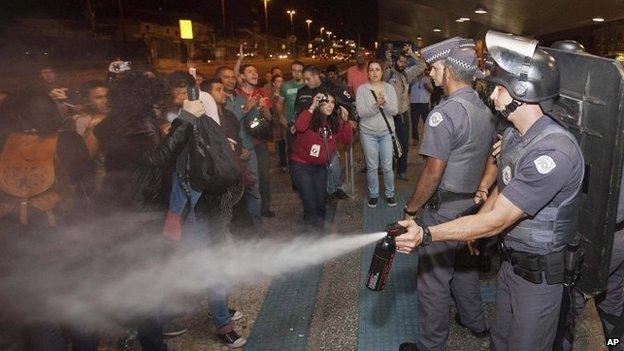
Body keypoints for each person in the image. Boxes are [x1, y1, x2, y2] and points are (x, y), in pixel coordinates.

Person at [395, 31, 585, 351]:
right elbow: (505, 187)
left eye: (500, 87)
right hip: (512, 265)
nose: (493, 93)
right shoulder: (514, 134)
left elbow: (499, 220)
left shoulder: (553, 152)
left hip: (540, 277)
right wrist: (474, 225)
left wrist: (427, 235)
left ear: (522, 93)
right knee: (500, 341)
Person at [399, 38, 494, 351]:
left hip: (443, 209)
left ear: (450, 72)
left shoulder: (445, 112)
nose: (430, 74)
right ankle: (476, 322)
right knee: (464, 268)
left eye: (435, 68)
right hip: (470, 208)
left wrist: (411, 210)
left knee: (434, 279)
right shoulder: (482, 106)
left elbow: (432, 172)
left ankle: (432, 345)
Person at [94, 71, 197, 351]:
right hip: (141, 212)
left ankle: (139, 326)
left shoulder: (113, 122)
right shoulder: (134, 123)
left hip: (124, 207)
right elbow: (157, 158)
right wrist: (185, 121)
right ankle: (152, 342)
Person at [0, 87, 97, 351]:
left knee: (43, 319)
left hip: (22, 247)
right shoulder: (67, 141)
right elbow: (89, 185)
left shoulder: (4, 142)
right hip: (69, 242)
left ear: (20, 117)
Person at [291, 92, 352, 231]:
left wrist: (345, 121)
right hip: (302, 167)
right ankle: (312, 237)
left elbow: (346, 140)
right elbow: (299, 127)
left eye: (332, 102)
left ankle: (319, 231)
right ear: (319, 103)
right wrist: (312, 107)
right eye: (326, 102)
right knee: (310, 203)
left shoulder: (333, 122)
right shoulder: (308, 116)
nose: (330, 105)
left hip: (320, 168)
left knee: (320, 202)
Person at [294, 65, 354, 199]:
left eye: (308, 79)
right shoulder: (302, 92)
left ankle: (334, 188)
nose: (306, 82)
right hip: (310, 141)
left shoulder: (329, 88)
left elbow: (346, 103)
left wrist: (347, 121)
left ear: (316, 76)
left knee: (333, 166)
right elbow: (298, 117)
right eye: (304, 79)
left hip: (329, 135)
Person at [216, 66, 264, 229]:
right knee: (233, 194)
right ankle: (237, 231)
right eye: (225, 77)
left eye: (232, 77)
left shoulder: (240, 97)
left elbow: (252, 122)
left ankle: (257, 229)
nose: (230, 80)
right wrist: (246, 109)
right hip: (230, 154)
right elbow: (228, 121)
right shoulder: (218, 101)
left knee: (254, 190)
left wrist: (257, 110)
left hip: (248, 149)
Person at [356, 60, 398, 208]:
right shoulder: (362, 90)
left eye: (377, 69)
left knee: (387, 166)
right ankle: (373, 194)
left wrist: (384, 104)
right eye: (371, 70)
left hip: (386, 132)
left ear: (382, 72)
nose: (374, 73)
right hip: (368, 133)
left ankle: (390, 194)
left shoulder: (389, 88)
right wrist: (376, 106)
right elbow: (361, 113)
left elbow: (395, 111)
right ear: (368, 73)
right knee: (372, 166)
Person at [382, 47, 427, 180]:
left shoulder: (406, 75)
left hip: (402, 115)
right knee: (388, 145)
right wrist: (388, 60)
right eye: (400, 62)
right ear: (396, 61)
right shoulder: (388, 74)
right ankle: (388, 169)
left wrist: (412, 54)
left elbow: (422, 65)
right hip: (388, 116)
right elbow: (381, 75)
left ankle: (401, 171)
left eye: (404, 62)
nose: (403, 64)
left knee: (403, 144)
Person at [236, 64, 274, 219]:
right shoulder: (237, 94)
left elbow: (270, 118)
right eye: (250, 71)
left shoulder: (262, 93)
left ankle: (264, 207)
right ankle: (248, 212)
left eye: (256, 71)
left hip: (260, 141)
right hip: (245, 143)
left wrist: (263, 108)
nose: (254, 73)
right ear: (242, 77)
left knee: (264, 176)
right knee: (249, 178)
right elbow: (235, 116)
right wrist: (248, 106)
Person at [74, 80, 109, 191]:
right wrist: (93, 127)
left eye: (107, 96)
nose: (105, 101)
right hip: (103, 178)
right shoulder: (83, 121)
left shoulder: (116, 116)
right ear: (87, 101)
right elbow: (87, 155)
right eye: (98, 98)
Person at [409, 70, 434, 145]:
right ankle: (415, 139)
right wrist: (410, 85)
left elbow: (432, 91)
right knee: (414, 123)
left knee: (427, 122)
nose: (420, 72)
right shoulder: (412, 79)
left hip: (424, 104)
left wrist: (427, 87)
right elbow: (407, 90)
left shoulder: (427, 79)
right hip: (414, 103)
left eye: (421, 71)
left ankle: (428, 139)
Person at [270, 75, 288, 172]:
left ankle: (288, 162)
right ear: (274, 83)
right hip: (277, 122)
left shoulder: (285, 93)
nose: (280, 83)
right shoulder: (271, 95)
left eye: (281, 81)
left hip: (285, 120)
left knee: (288, 142)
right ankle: (282, 162)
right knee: (280, 143)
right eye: (278, 81)